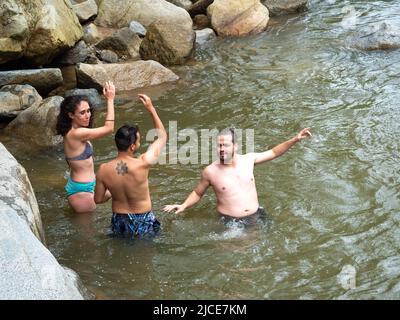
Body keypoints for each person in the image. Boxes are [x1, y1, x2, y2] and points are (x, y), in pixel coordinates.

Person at [163, 127, 312, 224]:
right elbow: (198, 192)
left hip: (258, 214)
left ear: (235, 146)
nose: (222, 149)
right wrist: (183, 205)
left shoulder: (249, 160)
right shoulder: (210, 171)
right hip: (231, 222)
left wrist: (294, 140)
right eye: (219, 145)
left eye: (226, 145)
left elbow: (273, 152)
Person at [94, 94, 167, 238]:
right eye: (138, 140)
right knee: (145, 256)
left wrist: (114, 190)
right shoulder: (143, 163)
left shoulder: (103, 170)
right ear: (133, 146)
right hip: (143, 219)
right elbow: (162, 136)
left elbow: (98, 199)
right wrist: (151, 108)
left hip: (119, 221)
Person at [56, 81, 116, 213]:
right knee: (88, 232)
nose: (88, 115)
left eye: (88, 111)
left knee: (118, 190)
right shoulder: (77, 133)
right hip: (81, 190)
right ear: (71, 115)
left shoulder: (76, 130)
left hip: (91, 184)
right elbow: (109, 128)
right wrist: (110, 99)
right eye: (82, 112)